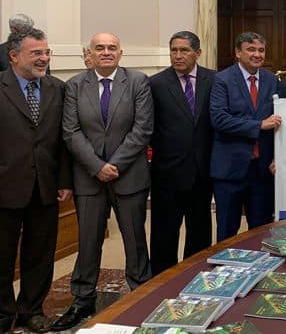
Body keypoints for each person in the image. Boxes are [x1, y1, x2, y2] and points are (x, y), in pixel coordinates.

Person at [54, 33, 153, 331]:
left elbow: (143, 128)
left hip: (129, 176)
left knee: (135, 240)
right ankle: (82, 299)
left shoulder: (137, 82)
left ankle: (141, 296)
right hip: (88, 179)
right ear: (90, 54)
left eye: (112, 48)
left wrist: (115, 165)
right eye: (100, 48)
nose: (106, 52)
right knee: (88, 242)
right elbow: (70, 131)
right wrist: (97, 167)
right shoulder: (74, 85)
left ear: (121, 53)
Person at [0, 28, 71, 333]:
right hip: (5, 186)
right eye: (36, 53)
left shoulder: (58, 89)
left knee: (40, 254)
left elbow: (64, 140)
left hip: (45, 187)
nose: (44, 58)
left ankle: (32, 310)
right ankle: (3, 313)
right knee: (2, 256)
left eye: (46, 52)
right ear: (14, 56)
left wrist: (64, 181)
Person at [148, 31, 215, 276]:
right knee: (164, 235)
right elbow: (149, 127)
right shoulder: (155, 83)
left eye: (184, 50)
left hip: (202, 172)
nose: (178, 55)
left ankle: (195, 277)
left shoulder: (214, 80)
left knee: (200, 233)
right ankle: (162, 281)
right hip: (167, 173)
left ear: (197, 53)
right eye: (174, 50)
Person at [210, 31, 281, 242]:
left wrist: (279, 156)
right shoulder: (222, 79)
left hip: (262, 171)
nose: (257, 54)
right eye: (251, 49)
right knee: (227, 233)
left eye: (261, 50)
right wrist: (259, 125)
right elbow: (219, 119)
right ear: (238, 53)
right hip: (230, 170)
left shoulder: (272, 80)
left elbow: (281, 121)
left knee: (261, 233)